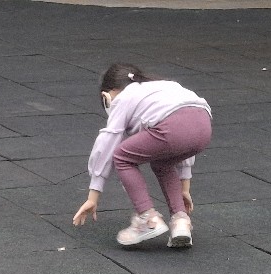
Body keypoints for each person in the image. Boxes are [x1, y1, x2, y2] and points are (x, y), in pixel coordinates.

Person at [72, 63, 212, 249]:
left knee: (122, 156)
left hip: (172, 128)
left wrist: (93, 195)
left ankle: (147, 218)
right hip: (204, 126)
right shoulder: (165, 87)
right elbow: (184, 128)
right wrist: (184, 186)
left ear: (107, 96)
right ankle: (181, 220)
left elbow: (108, 141)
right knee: (163, 162)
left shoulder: (123, 98)